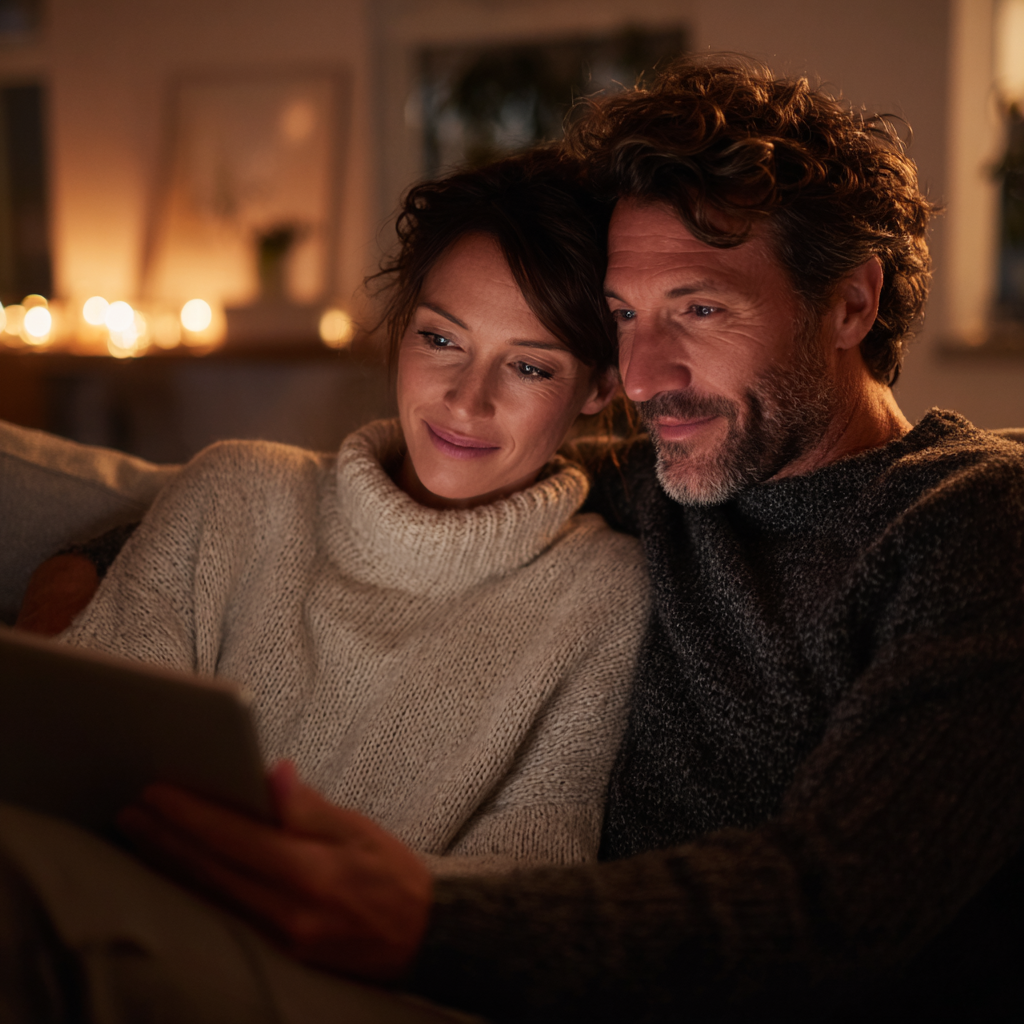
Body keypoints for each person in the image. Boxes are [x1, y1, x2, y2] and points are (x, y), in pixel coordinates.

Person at [4, 54, 1023, 1024]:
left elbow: (836, 898)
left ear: (852, 300)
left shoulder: (970, 521)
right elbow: (313, 502)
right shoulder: (671, 470)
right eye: (624, 316)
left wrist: (421, 919)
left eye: (699, 308)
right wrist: (72, 580)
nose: (644, 372)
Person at [46, 149, 648, 877]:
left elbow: (529, 887)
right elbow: (72, 758)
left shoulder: (605, 594)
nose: (466, 399)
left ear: (600, 388)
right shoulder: (233, 492)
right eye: (440, 339)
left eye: (528, 366)